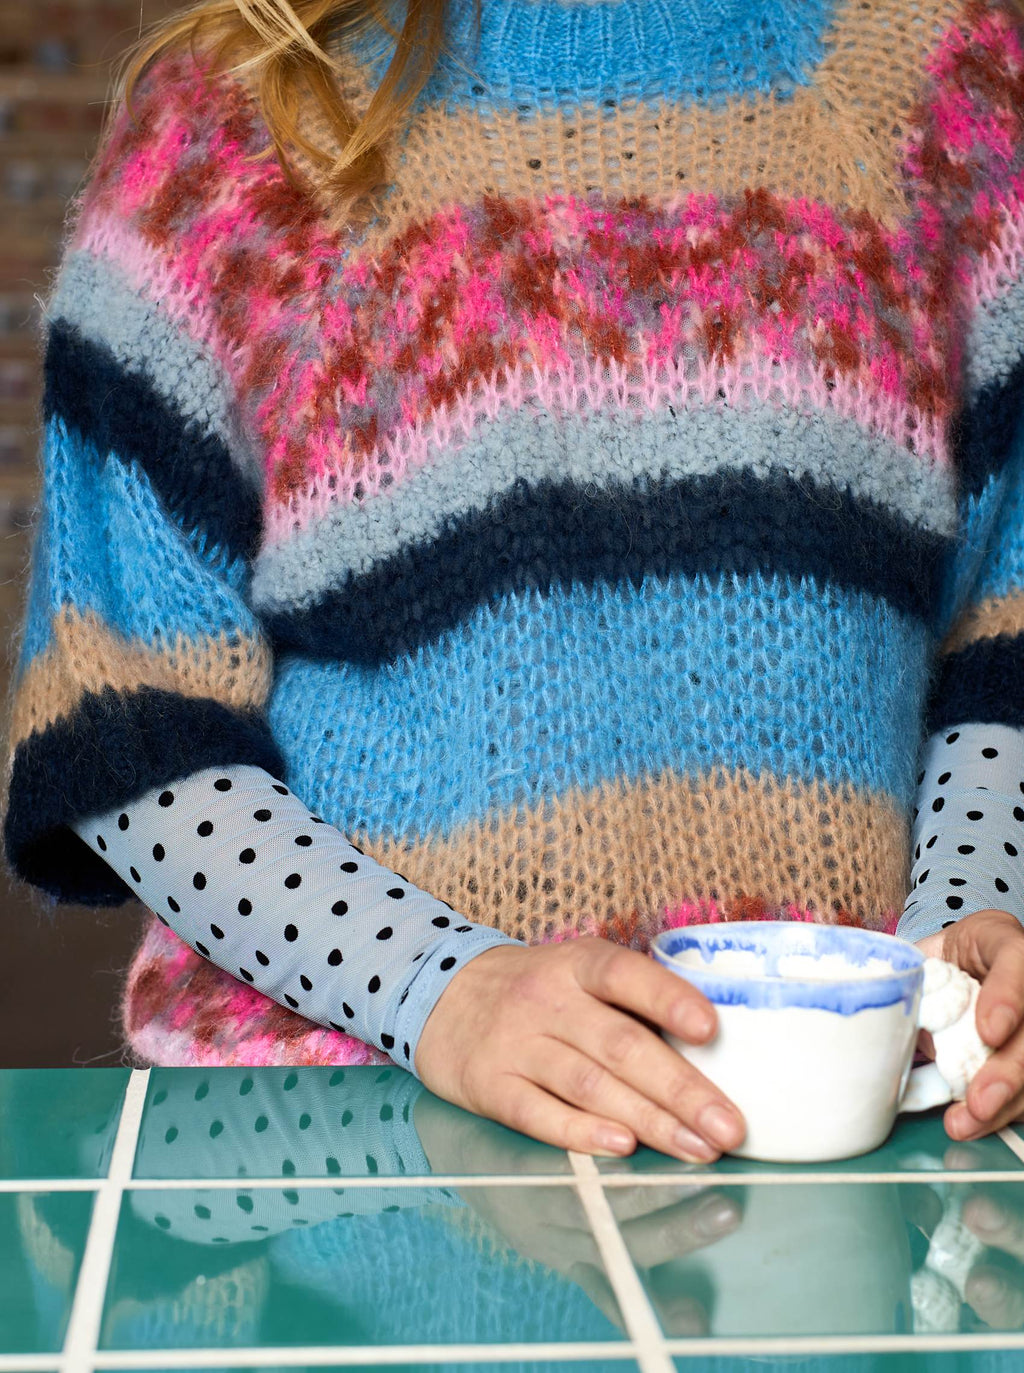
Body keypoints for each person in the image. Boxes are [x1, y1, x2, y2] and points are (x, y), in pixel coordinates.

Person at [3, 0, 1024, 1164]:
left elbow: (999, 633)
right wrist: (439, 988)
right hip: (360, 1147)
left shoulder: (945, 82)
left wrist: (965, 929)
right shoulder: (241, 124)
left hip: (854, 1134)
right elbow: (128, 722)